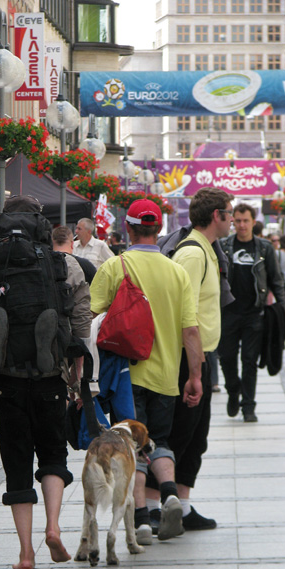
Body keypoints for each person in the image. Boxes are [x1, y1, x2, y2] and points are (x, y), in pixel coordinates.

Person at [0, 197, 91, 569]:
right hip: (51, 375)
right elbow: (82, 315)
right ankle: (53, 527)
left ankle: (26, 552)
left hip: (5, 378)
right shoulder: (62, 263)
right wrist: (79, 368)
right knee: (53, 453)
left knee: (17, 461)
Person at [90, 199, 203, 546]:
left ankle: (140, 520)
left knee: (132, 447)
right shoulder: (177, 271)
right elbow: (191, 331)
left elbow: (90, 322)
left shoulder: (115, 266)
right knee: (162, 440)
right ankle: (169, 493)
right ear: (159, 228)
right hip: (167, 377)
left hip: (125, 376)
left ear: (129, 227)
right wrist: (194, 376)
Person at [145, 187, 233, 534]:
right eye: (228, 212)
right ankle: (153, 508)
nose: (231, 218)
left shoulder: (208, 249)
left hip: (200, 355)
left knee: (196, 438)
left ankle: (182, 506)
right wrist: (194, 371)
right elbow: (185, 315)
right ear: (217, 216)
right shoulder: (193, 254)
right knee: (178, 433)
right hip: (185, 357)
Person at [218, 203, 285, 422]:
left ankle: (248, 406)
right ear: (232, 221)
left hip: (254, 313)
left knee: (249, 361)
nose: (241, 225)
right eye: (237, 220)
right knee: (226, 357)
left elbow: (276, 281)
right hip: (228, 312)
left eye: (245, 221)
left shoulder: (264, 248)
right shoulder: (223, 245)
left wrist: (283, 310)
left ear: (253, 221)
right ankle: (233, 390)